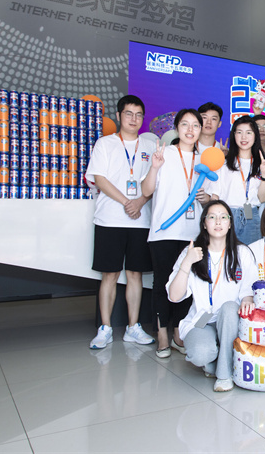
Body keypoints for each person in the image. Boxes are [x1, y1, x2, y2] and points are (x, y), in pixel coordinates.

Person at [86, 95, 156, 349]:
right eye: (128, 113)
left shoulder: (150, 146)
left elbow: (155, 181)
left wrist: (140, 201)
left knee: (135, 274)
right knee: (110, 274)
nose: (133, 119)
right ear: (118, 116)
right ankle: (105, 328)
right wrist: (128, 202)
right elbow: (100, 179)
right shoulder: (105, 144)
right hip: (110, 219)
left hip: (140, 220)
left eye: (138, 115)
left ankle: (133, 327)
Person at [142, 109, 213, 358]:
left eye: (196, 125)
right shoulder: (164, 154)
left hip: (193, 233)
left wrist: (206, 198)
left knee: (188, 283)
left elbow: (212, 198)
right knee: (162, 283)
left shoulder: (205, 159)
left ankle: (177, 333)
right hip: (164, 232)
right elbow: (146, 190)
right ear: (176, 128)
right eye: (185, 124)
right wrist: (154, 167)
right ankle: (162, 334)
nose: (190, 130)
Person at [166, 200, 255, 391]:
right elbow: (174, 296)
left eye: (223, 217)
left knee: (229, 308)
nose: (218, 222)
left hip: (232, 320)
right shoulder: (191, 253)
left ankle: (224, 375)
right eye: (212, 217)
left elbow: (249, 291)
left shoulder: (242, 253)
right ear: (204, 223)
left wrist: (247, 299)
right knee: (200, 354)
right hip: (202, 320)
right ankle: (219, 360)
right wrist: (187, 263)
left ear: (230, 224)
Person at [211, 116, 263, 244]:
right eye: (239, 132)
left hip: (252, 215)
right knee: (226, 253)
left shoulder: (262, 164)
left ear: (255, 136)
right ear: (234, 135)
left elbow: (263, 197)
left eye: (249, 133)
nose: (244, 137)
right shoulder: (223, 163)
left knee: (251, 254)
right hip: (227, 214)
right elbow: (214, 196)